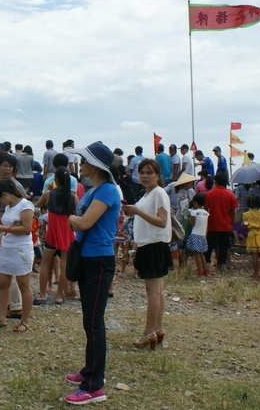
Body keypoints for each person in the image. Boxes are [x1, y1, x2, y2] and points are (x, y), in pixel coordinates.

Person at [62, 142, 120, 405]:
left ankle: (94, 386)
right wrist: (75, 219)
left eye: (84, 161)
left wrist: (74, 220)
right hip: (88, 258)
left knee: (94, 322)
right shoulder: (95, 190)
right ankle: (89, 371)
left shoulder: (107, 191)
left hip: (98, 260)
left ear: (95, 165)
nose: (81, 165)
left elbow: (82, 221)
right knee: (89, 320)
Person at [123, 158, 170, 352]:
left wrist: (138, 212)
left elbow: (161, 221)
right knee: (157, 291)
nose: (145, 176)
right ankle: (157, 329)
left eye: (149, 173)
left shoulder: (158, 192)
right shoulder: (148, 194)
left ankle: (148, 332)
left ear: (158, 175)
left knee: (153, 292)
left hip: (154, 245)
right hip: (148, 244)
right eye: (142, 172)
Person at [0, 178, 35, 333]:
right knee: (3, 284)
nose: (0, 202)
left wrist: (3, 228)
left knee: (23, 285)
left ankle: (25, 321)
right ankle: (1, 318)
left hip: (21, 249)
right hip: (7, 247)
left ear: (4, 194)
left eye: (0, 198)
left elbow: (26, 228)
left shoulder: (25, 205)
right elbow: (11, 221)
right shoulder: (9, 207)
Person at [34, 166, 78, 305]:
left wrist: (48, 187)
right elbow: (76, 215)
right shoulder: (74, 197)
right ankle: (59, 296)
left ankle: (42, 295)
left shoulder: (49, 194)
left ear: (56, 180)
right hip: (67, 233)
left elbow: (39, 205)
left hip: (52, 232)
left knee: (46, 264)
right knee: (64, 265)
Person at [204, 173, 238, 272]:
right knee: (224, 246)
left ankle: (206, 264)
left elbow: (206, 209)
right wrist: (231, 223)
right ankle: (220, 265)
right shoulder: (230, 194)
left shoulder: (210, 193)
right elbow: (232, 211)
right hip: (226, 224)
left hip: (212, 224)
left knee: (209, 245)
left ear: (216, 182)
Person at [243, 194, 260, 279]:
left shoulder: (246, 214)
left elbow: (243, 224)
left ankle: (255, 272)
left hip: (252, 234)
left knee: (254, 255)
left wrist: (249, 228)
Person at [187, 193, 209, 277]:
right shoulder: (206, 213)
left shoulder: (194, 212)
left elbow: (192, 224)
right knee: (201, 254)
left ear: (195, 203)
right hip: (202, 235)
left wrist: (188, 217)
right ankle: (205, 269)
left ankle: (200, 271)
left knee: (197, 255)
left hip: (195, 234)